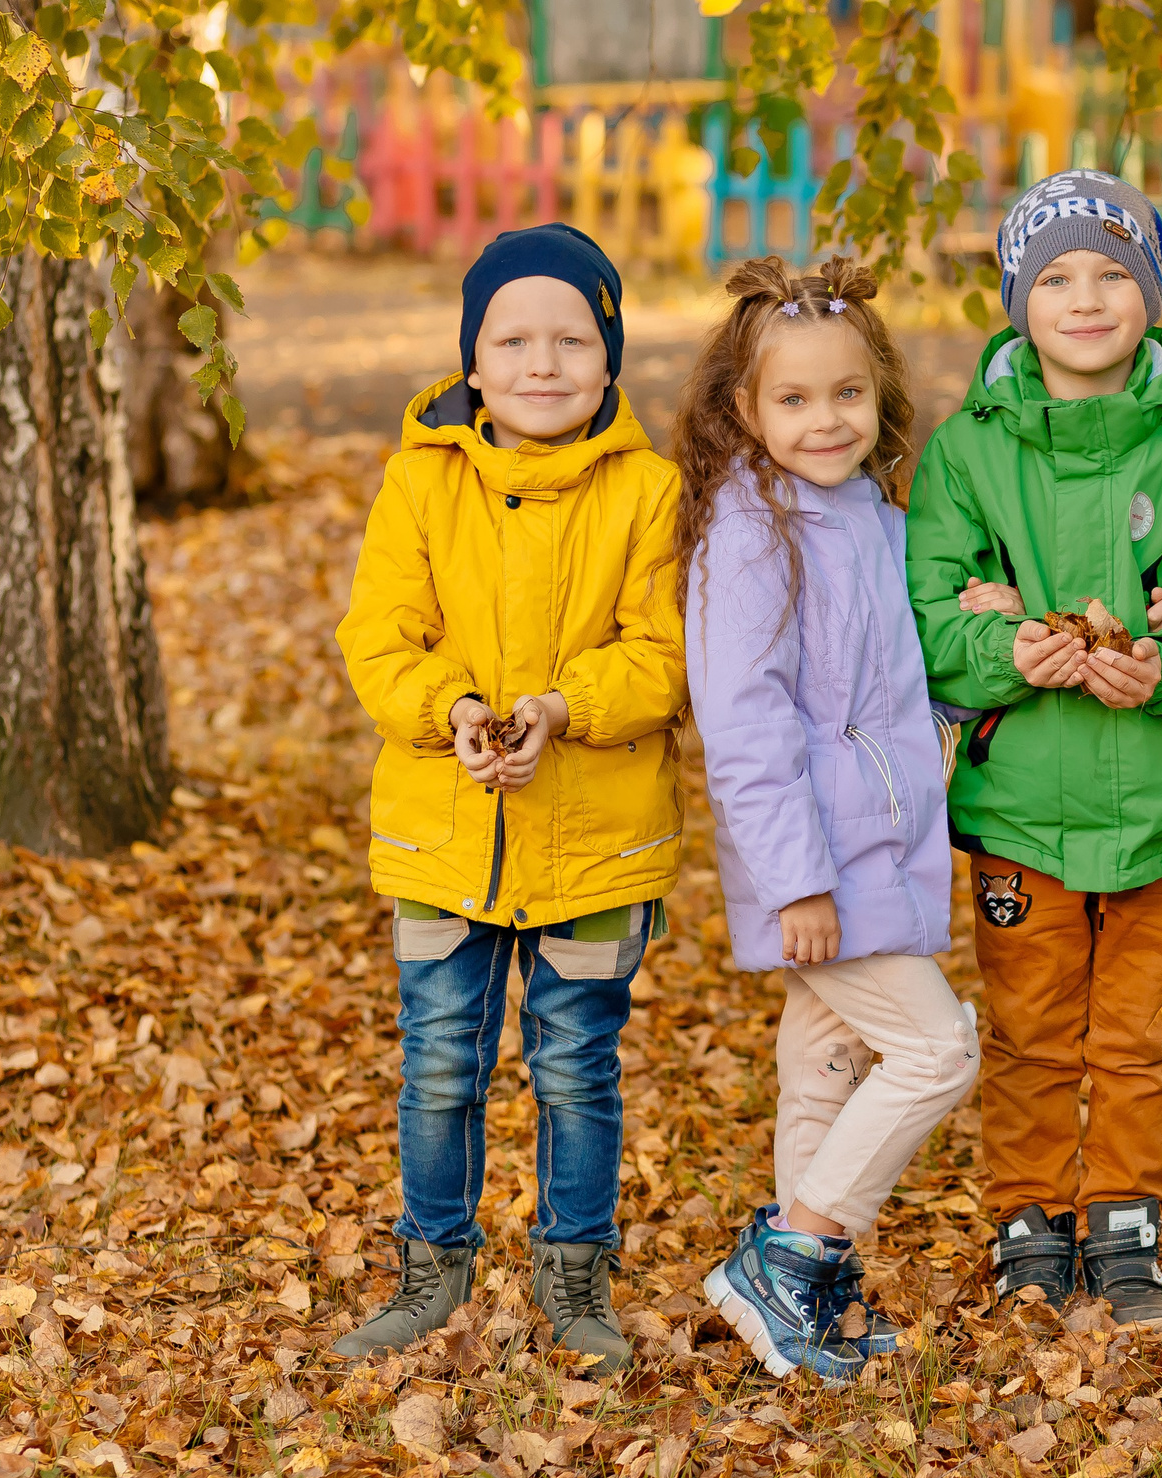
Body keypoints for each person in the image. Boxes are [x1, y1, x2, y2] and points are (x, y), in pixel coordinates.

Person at [906, 169, 1162, 1328]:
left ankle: (1125, 1221)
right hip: (1019, 804)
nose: (1086, 298)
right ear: (1019, 299)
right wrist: (1001, 650)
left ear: (1153, 295)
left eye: (1113, 274)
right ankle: (1029, 1219)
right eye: (1057, 276)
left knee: (1138, 1034)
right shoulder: (966, 454)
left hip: (1160, 810)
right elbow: (926, 615)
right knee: (1026, 1030)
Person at [332, 222, 685, 1377]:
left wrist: (559, 708)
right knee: (441, 1056)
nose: (544, 363)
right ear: (472, 364)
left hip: (593, 836)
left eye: (573, 338)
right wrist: (459, 710)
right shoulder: (419, 482)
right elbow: (378, 640)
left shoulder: (650, 493)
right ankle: (431, 1262)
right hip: (449, 833)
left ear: (610, 355)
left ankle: (574, 1266)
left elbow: (666, 653)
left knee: (578, 1060)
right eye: (514, 339)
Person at [678, 256, 980, 1383]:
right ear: (745, 409)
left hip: (883, 842)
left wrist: (975, 624)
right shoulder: (750, 532)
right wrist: (795, 879)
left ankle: (808, 1302)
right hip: (817, 859)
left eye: (845, 395)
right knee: (936, 1047)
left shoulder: (876, 517)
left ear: (880, 397)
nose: (824, 420)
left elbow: (901, 677)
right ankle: (795, 1251)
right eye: (793, 399)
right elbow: (745, 724)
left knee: (828, 1055)